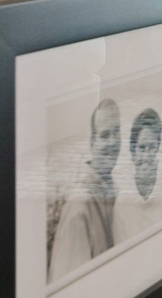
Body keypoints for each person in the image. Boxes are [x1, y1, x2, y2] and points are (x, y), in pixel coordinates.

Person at [49, 99, 120, 283]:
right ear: (92, 143)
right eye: (105, 135)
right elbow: (70, 290)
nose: (113, 142)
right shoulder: (78, 207)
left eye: (116, 132)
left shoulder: (114, 194)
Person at [113, 109, 162, 243]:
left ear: (158, 148)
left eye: (152, 147)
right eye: (142, 148)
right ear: (133, 152)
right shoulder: (122, 204)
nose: (147, 156)